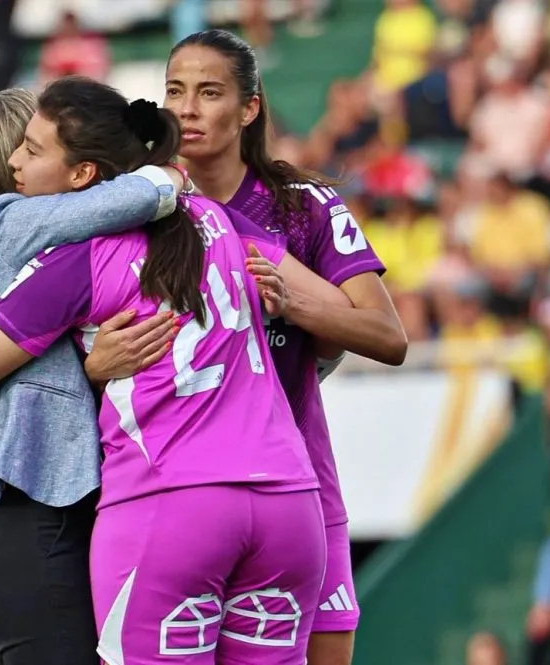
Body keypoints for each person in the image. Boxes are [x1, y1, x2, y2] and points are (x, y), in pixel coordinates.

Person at [0, 79, 347, 665]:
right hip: (290, 502)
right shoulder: (219, 223)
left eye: (34, 149)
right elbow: (343, 328)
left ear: (84, 177)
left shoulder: (75, 257)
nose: (15, 163)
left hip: (170, 502)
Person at [83, 29, 408, 665]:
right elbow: (73, 329)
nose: (188, 109)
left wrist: (296, 304)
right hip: (173, 489)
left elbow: (388, 337)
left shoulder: (304, 207)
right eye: (176, 91)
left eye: (210, 93)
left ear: (250, 107)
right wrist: (95, 364)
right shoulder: (128, 209)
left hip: (297, 486)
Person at [0, 82, 187, 665]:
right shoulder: (4, 219)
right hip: (25, 510)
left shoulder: (18, 247)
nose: (21, 160)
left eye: (32, 148)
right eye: (22, 146)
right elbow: (135, 197)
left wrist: (91, 370)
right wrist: (167, 177)